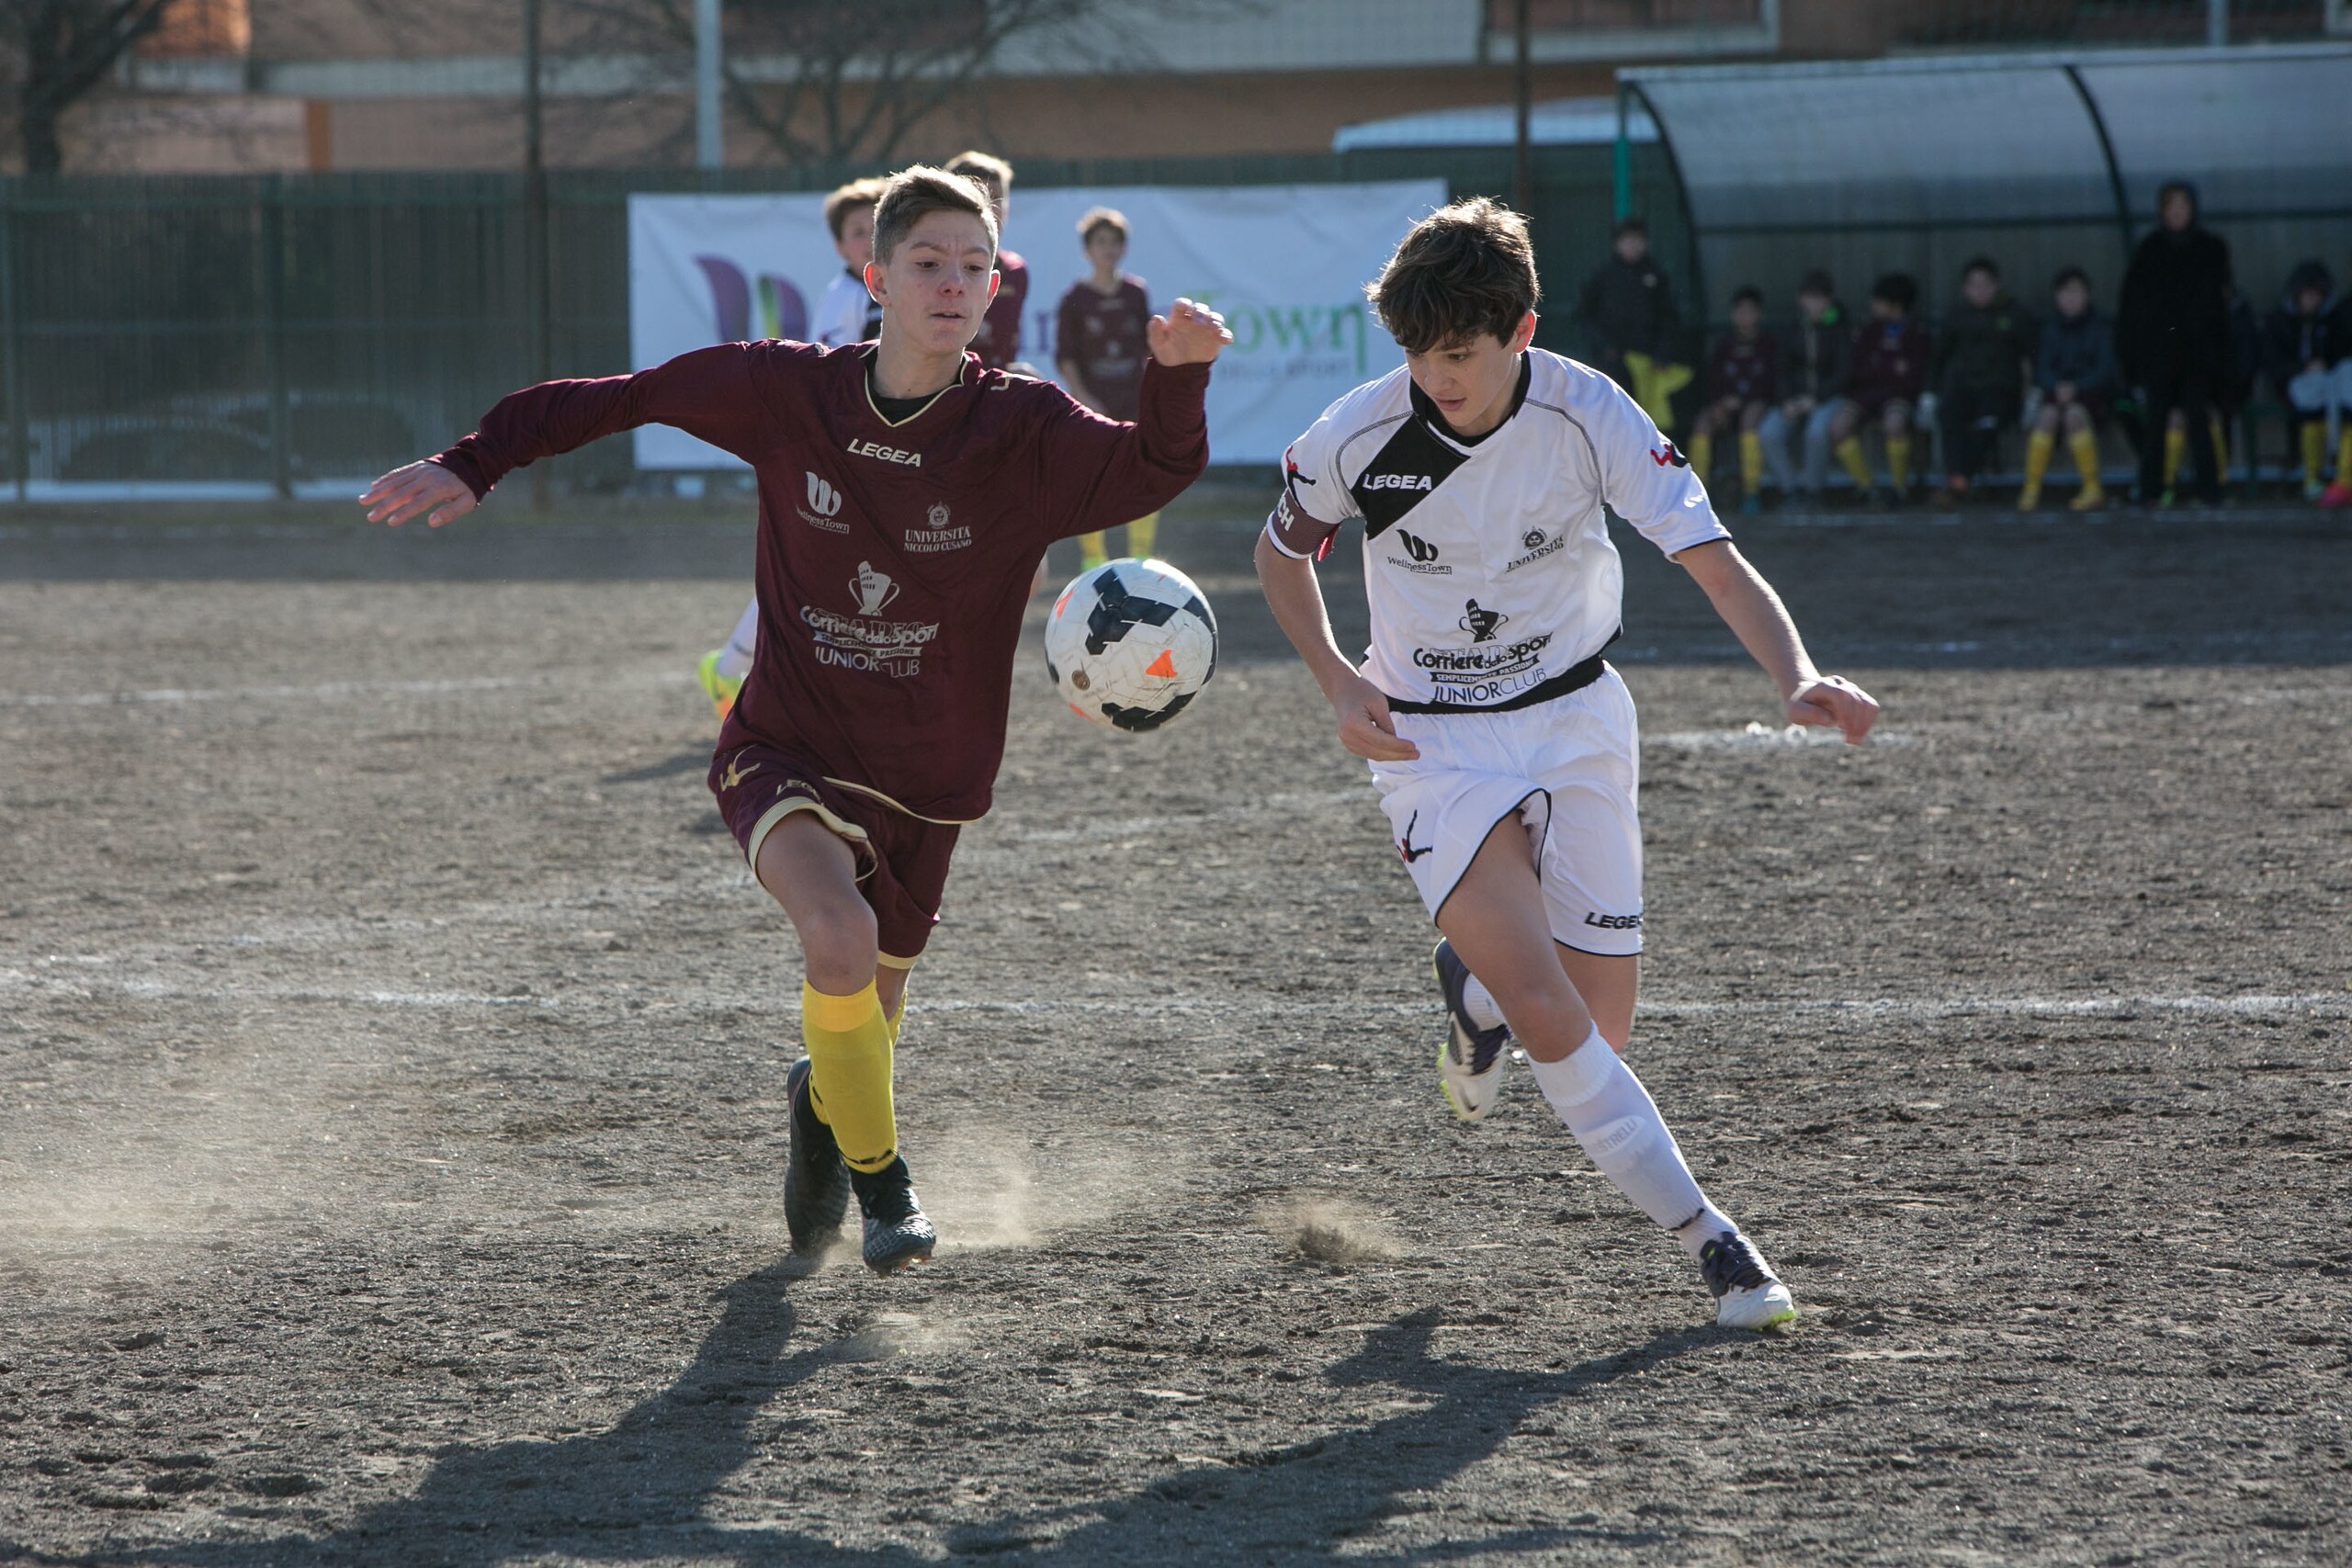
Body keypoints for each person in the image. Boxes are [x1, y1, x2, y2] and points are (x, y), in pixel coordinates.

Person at [357, 167, 1230, 1276]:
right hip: (785, 744)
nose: (953, 284)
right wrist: (475, 460)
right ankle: (886, 1185)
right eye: (927, 262)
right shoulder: (787, 391)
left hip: (931, 776)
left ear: (994, 288)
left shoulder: (1020, 428)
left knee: (870, 1008)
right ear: (875, 279)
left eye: (973, 267)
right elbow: (623, 398)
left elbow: (1153, 464)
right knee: (839, 940)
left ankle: (822, 1107)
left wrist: (1178, 377)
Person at [1253, 197, 1879, 1332]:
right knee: (1552, 1016)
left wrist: (1794, 675)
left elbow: (1712, 559)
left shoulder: (1588, 413)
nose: (1436, 376)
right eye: (1416, 352)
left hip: (1579, 720)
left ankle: (1471, 991)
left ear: (1521, 331)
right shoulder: (1360, 433)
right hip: (1433, 741)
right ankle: (1715, 1245)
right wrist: (1341, 682)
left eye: (1459, 352)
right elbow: (1278, 552)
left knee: (1599, 1026)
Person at [697, 177, 889, 720]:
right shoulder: (845, 297)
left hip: (878, 449)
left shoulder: (892, 290)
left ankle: (747, 669)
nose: (869, 239)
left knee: (835, 569)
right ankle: (731, 668)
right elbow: (834, 375)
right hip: (845, 451)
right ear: (839, 246)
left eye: (877, 227)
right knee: (808, 565)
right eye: (858, 231)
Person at [1056, 207, 1159, 570]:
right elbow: (1066, 356)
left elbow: (1148, 348)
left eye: (1115, 242)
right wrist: (1083, 398)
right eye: (1101, 242)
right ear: (1087, 250)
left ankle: (1141, 556)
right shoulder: (1074, 297)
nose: (1108, 249)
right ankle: (1093, 559)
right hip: (1093, 401)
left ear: (1124, 248)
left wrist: (1152, 392)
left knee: (1142, 473)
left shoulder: (1136, 293)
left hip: (1132, 398)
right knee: (1091, 477)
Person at [2116, 180, 2231, 506]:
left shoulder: (2210, 248)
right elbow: (2133, 307)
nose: (2178, 212)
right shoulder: (2150, 249)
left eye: (2183, 205)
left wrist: (2214, 354)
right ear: (2162, 211)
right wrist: (2137, 353)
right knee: (2156, 421)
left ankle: (2209, 489)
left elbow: (2217, 307)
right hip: (2159, 355)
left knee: (2199, 418)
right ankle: (2150, 489)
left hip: (2197, 355)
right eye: (2171, 206)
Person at [1931, 257, 2035, 504]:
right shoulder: (1957, 316)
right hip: (1964, 387)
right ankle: (1958, 479)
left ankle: (1960, 481)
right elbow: (1937, 357)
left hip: (2001, 389)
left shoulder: (2015, 314)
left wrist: (2034, 391)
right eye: (1973, 285)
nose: (1979, 291)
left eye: (1985, 284)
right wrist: (1929, 392)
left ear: (1996, 285)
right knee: (1948, 415)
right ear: (1965, 288)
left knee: (1986, 425)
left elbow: (2032, 354)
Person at [1572, 216, 1689, 431]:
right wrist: (1605, 348)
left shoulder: (1657, 274)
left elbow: (1669, 318)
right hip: (1611, 364)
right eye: (1628, 240)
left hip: (1648, 365)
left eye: (1638, 240)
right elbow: (1584, 316)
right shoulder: (1602, 274)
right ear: (1617, 243)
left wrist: (1661, 354)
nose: (1633, 245)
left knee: (1647, 423)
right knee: (1613, 418)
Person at [2019, 266, 2119, 512]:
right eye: (2065, 293)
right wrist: (2057, 386)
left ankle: (2092, 487)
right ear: (2056, 296)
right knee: (2046, 416)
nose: (2070, 299)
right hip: (2057, 393)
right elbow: (2042, 368)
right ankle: (2031, 487)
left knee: (2074, 415)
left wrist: (2077, 387)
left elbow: (2106, 369)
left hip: (2093, 395)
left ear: (2087, 295)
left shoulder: (2101, 326)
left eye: (2076, 292)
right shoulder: (2049, 328)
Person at [1829, 273, 1928, 504]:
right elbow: (1858, 369)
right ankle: (1866, 487)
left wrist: (1881, 367)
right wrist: (1891, 367)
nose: (1873, 305)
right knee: (1837, 427)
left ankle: (1899, 488)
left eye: (1879, 301)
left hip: (1898, 395)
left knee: (1894, 424)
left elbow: (1913, 377)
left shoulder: (1915, 333)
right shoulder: (1869, 331)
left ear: (1896, 305)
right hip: (1865, 395)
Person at [1757, 270, 1851, 504]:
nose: (1814, 304)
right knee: (1769, 431)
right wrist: (1787, 400)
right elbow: (1782, 369)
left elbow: (1843, 374)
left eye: (1819, 298)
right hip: (1795, 399)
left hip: (1830, 398)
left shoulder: (1840, 327)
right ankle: (1789, 489)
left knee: (1816, 431)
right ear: (1800, 299)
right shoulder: (1792, 328)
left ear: (1829, 300)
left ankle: (1812, 490)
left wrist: (1816, 398)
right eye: (1809, 298)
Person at [2261, 260, 2348, 503]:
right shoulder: (2278, 321)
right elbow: (2273, 363)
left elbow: (2341, 356)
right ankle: (2312, 478)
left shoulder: (2334, 320)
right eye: (2307, 295)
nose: (2312, 301)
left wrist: (2325, 365)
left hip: (2331, 387)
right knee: (2310, 414)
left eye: (2317, 295)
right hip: (2294, 387)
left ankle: (2343, 478)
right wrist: (2301, 369)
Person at [1688, 286, 1776, 513]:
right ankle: (1697, 494)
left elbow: (1770, 383)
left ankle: (1751, 493)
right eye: (1740, 311)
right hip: (1726, 406)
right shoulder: (1723, 345)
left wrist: (1745, 400)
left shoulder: (1767, 344)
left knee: (1750, 419)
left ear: (1758, 314)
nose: (1744, 317)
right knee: (1703, 423)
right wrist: (1721, 402)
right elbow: (1712, 381)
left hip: (1756, 405)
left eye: (1750, 311)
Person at [945, 151, 1028, 373]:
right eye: (980, 196)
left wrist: (1012, 375)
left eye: (998, 197)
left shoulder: (1016, 271)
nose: (991, 207)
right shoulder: (931, 266)